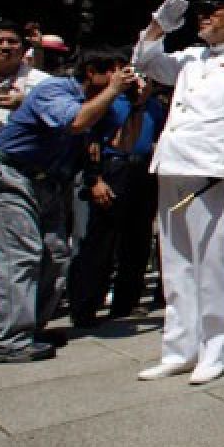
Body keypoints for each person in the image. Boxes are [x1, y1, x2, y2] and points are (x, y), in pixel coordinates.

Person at [132, 0, 224, 384]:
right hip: (174, 166)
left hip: (215, 171)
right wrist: (157, 29)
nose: (203, 17)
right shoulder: (191, 58)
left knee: (213, 266)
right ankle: (179, 349)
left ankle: (215, 348)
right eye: (200, 11)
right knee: (175, 265)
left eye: (213, 11)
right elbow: (145, 62)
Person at [0, 49, 137, 362]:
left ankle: (29, 327)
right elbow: (75, 122)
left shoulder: (103, 104)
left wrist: (137, 103)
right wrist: (112, 91)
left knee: (54, 254)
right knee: (18, 256)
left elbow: (120, 144)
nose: (123, 78)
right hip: (9, 174)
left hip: (48, 182)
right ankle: (4, 340)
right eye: (117, 71)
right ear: (93, 71)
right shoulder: (54, 90)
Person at [68, 70, 167, 326]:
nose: (143, 86)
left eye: (149, 81)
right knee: (100, 241)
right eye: (139, 81)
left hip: (142, 171)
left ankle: (126, 303)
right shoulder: (109, 103)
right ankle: (86, 307)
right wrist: (95, 179)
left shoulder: (155, 107)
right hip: (112, 168)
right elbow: (90, 143)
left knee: (137, 241)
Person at [0, 19, 50, 140]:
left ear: (23, 48)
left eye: (12, 41)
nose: (5, 47)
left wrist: (27, 105)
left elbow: (64, 122)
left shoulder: (43, 82)